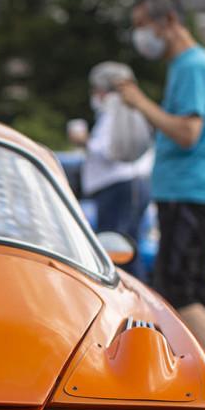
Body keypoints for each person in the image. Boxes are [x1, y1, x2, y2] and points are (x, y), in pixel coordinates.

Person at [114, 0, 205, 410]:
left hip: (191, 193)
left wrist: (139, 102)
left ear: (167, 20)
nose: (140, 35)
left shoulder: (192, 65)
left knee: (180, 290)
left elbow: (188, 132)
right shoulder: (183, 65)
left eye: (142, 25)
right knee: (189, 289)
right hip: (185, 193)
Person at [71, 61, 153, 281]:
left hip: (118, 188)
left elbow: (110, 150)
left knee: (117, 251)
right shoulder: (127, 109)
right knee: (128, 247)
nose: (93, 94)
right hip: (131, 186)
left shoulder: (116, 109)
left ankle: (126, 303)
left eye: (96, 88)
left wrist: (84, 140)